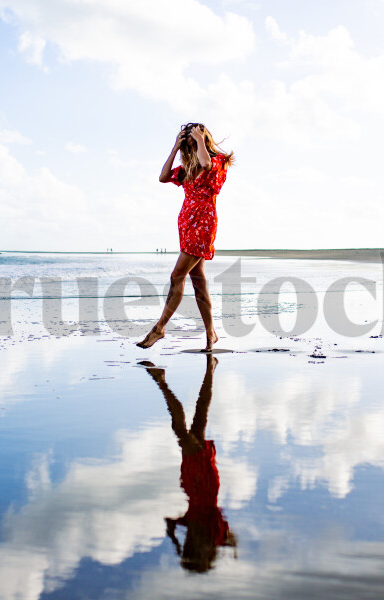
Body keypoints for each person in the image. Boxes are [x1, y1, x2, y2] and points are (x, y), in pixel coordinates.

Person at [136, 123, 234, 351]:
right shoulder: (188, 168)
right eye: (188, 142)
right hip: (186, 224)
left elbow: (206, 163)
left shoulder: (217, 162)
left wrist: (200, 138)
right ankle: (211, 334)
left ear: (204, 138)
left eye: (194, 140)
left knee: (177, 275)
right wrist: (174, 147)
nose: (190, 144)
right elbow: (162, 177)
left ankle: (159, 328)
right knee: (198, 284)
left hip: (203, 223)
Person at [139, 355, 237, 572]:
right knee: (181, 431)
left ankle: (210, 369)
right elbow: (217, 536)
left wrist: (174, 537)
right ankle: (161, 382)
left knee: (201, 414)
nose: (190, 544)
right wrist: (175, 538)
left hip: (193, 480)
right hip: (203, 481)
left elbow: (170, 521)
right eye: (192, 550)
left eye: (188, 548)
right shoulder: (212, 531)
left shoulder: (192, 526)